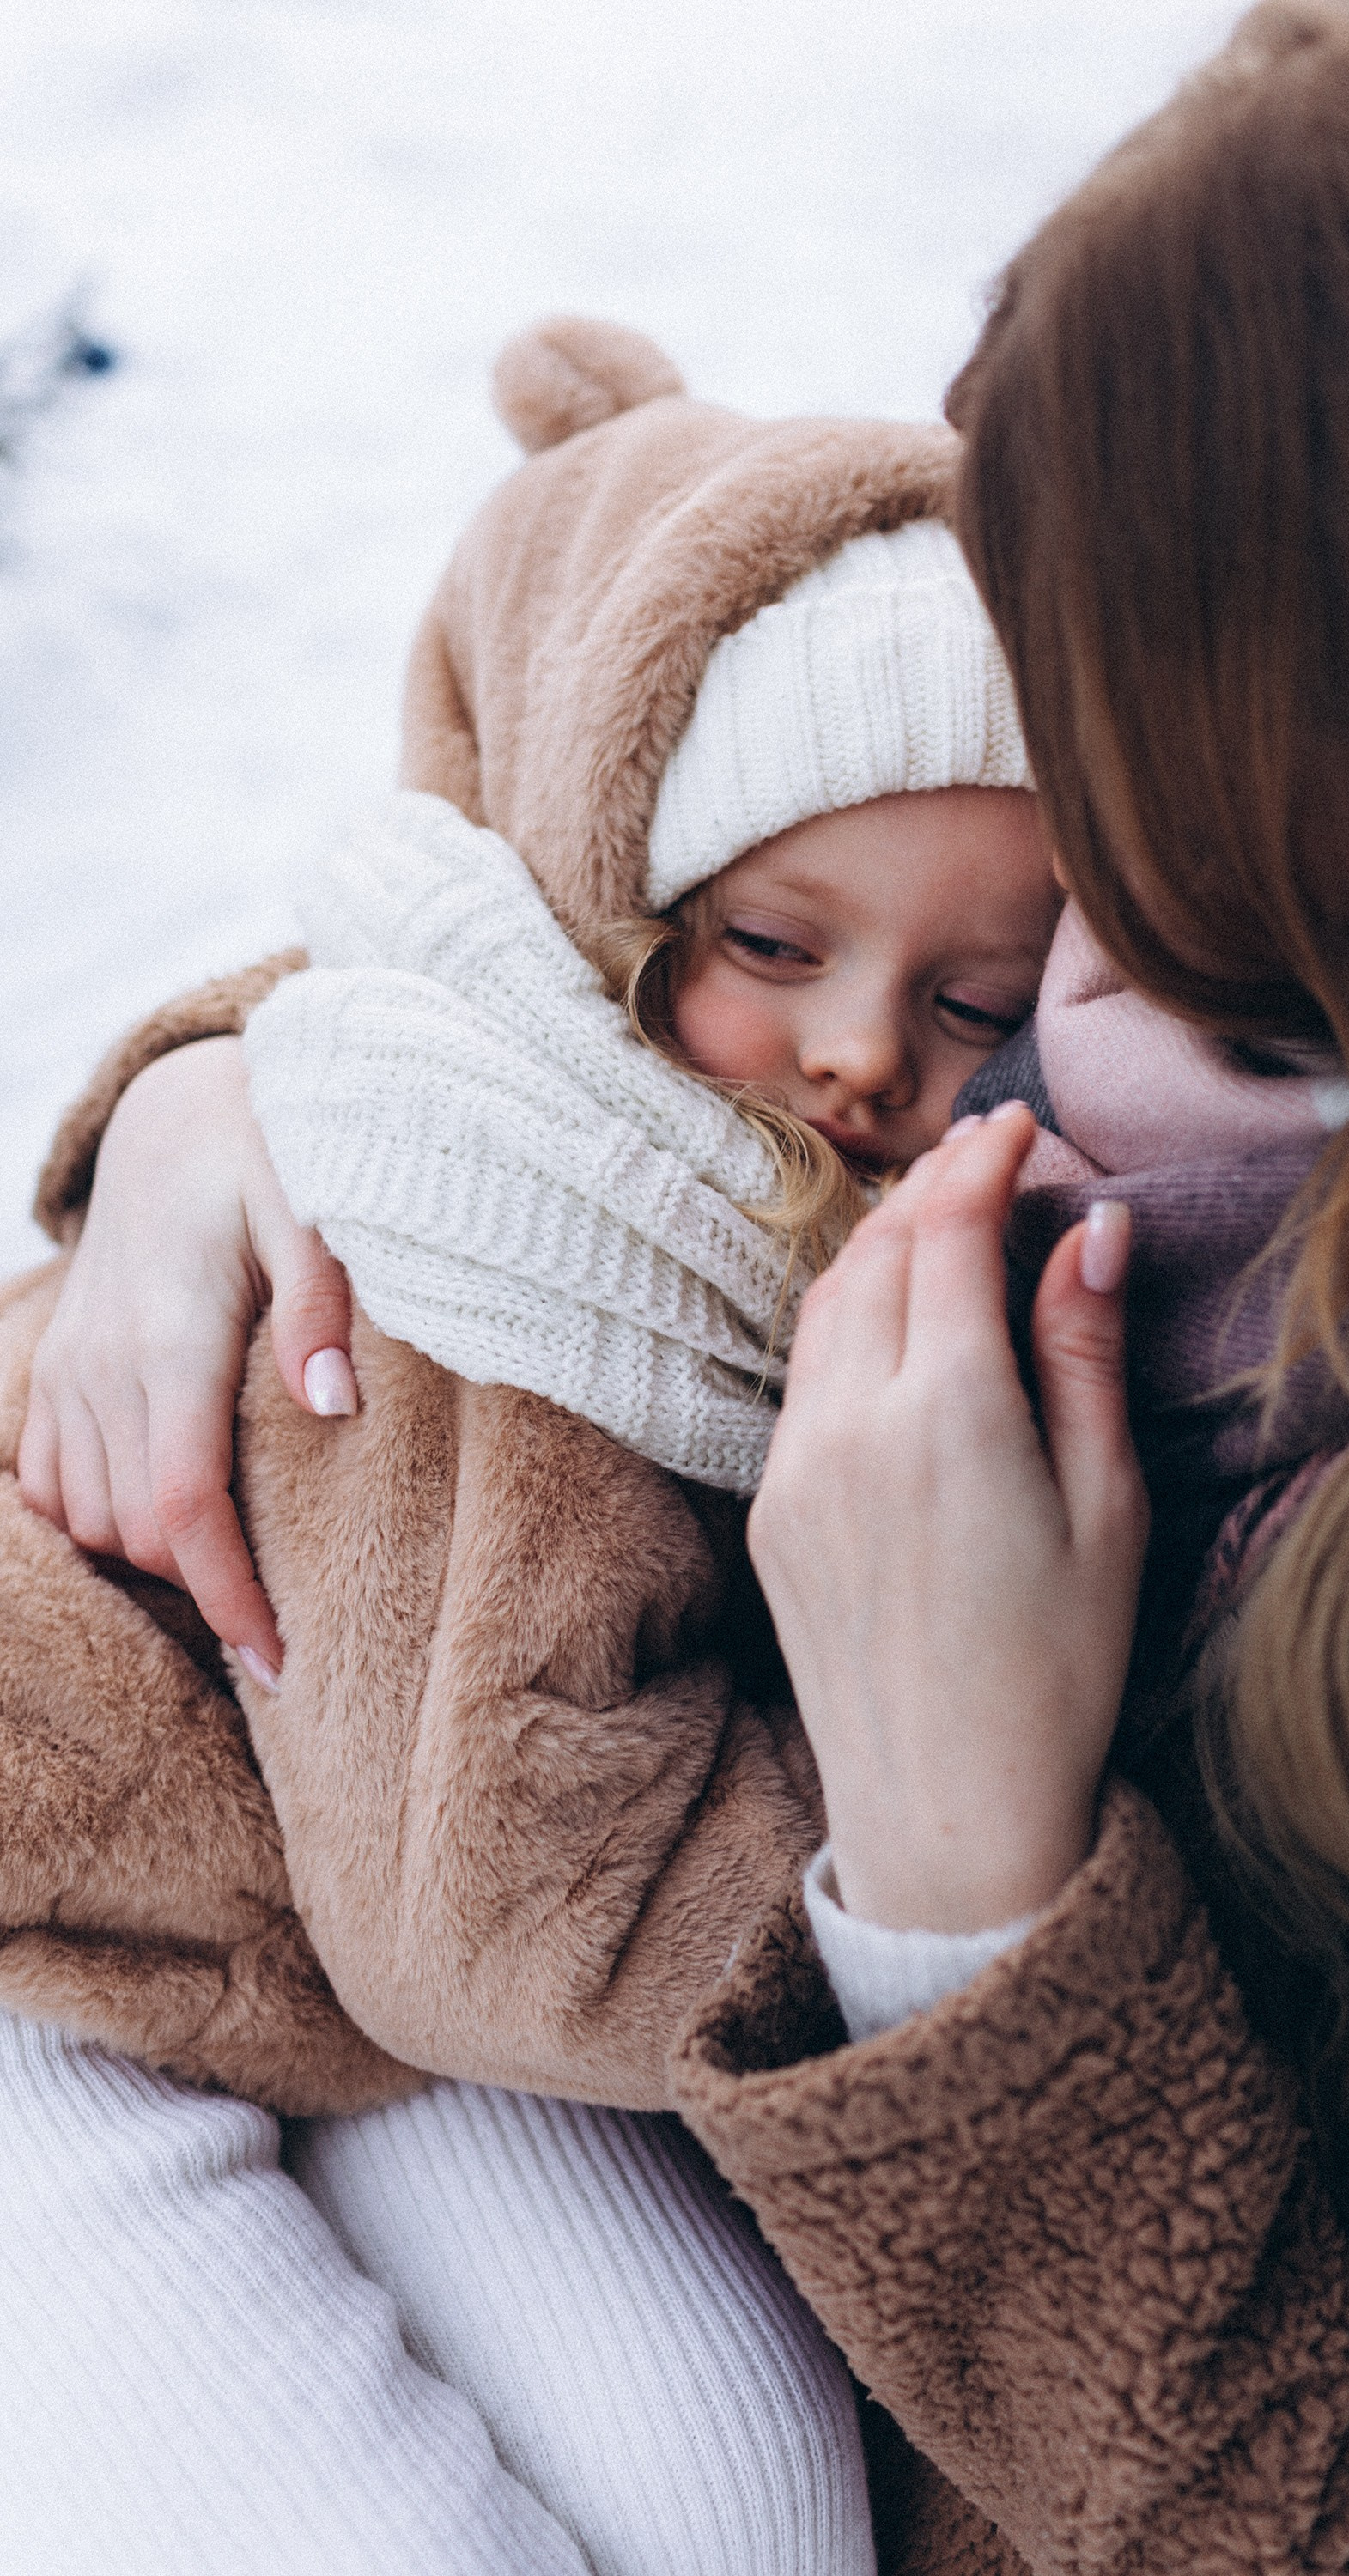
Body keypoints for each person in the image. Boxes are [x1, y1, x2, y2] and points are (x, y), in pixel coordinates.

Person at [21, 0, 1349, 2570]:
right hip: (180, 1865)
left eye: (1189, 974)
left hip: (530, 2024)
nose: (959, 1071)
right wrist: (242, 1083)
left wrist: (971, 1882)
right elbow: (594, 924)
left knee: (723, 2496)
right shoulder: (1092, 961)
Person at [0, 316, 1056, 2575]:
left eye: (979, 1001)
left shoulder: (734, 1183)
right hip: (80, 1867)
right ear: (612, 884)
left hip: (300, 1900)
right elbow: (499, 1923)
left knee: (748, 2499)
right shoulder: (522, 1249)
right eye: (774, 939)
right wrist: (952, 1865)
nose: (868, 1053)